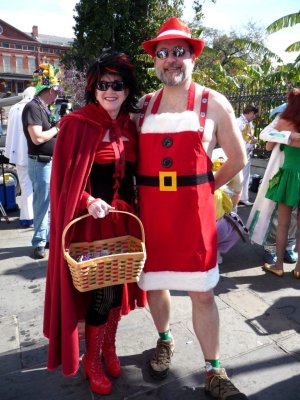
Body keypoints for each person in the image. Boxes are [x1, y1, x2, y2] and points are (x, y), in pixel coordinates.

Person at [134, 17, 248, 400]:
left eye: (178, 52)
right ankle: (164, 339)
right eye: (163, 53)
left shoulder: (213, 102)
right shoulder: (144, 106)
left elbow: (238, 158)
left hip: (193, 219)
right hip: (152, 215)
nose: (171, 59)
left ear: (192, 57)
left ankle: (214, 369)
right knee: (156, 283)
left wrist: (204, 190)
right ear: (155, 61)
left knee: (202, 293)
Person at [43, 50, 147, 395]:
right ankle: (92, 359)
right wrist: (88, 201)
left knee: (117, 291)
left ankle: (109, 349)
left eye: (117, 84)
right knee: (100, 295)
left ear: (127, 89)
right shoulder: (76, 124)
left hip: (122, 225)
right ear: (93, 87)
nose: (110, 90)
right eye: (103, 84)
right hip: (90, 226)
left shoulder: (129, 126)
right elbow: (64, 182)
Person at [247, 105, 298, 266]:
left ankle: (289, 246)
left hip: (295, 171)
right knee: (274, 210)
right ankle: (270, 247)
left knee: (295, 214)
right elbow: (265, 135)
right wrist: (289, 135)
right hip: (280, 169)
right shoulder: (284, 118)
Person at [22, 63, 62, 259]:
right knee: (42, 203)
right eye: (55, 90)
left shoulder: (42, 108)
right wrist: (58, 127)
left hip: (47, 162)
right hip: (41, 162)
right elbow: (37, 137)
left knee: (47, 202)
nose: (57, 94)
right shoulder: (32, 107)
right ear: (47, 90)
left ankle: (45, 238)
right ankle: (39, 242)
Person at [263, 88, 300, 278]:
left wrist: (286, 137)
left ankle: (278, 266)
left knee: (283, 223)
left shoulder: (284, 123)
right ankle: (299, 268)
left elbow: (268, 144)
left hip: (289, 175)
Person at [4, 86, 35, 227]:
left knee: (25, 185)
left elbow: (10, 132)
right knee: (38, 187)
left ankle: (26, 216)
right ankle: (32, 216)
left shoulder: (13, 108)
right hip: (32, 151)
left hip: (18, 152)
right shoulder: (33, 106)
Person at [236, 105, 259, 206]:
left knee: (245, 176)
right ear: (250, 112)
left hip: (247, 153)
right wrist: (250, 142)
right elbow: (236, 139)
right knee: (236, 176)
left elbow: (248, 137)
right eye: (254, 114)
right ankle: (233, 197)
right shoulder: (238, 122)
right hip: (238, 153)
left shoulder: (250, 124)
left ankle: (243, 197)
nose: (254, 117)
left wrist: (253, 141)